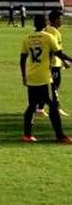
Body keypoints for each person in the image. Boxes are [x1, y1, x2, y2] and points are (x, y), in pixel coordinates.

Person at [20, 14, 72, 143]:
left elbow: (22, 59)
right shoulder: (48, 37)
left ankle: (27, 135)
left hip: (32, 77)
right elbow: (59, 53)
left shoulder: (27, 38)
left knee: (32, 105)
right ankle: (60, 136)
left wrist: (24, 76)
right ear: (45, 24)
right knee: (53, 106)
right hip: (44, 78)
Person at [38, 8, 69, 118]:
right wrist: (66, 60)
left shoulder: (50, 29)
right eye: (60, 19)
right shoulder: (53, 31)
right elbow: (55, 50)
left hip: (54, 63)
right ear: (55, 20)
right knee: (54, 87)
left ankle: (40, 109)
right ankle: (56, 108)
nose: (61, 21)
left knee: (52, 87)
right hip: (53, 64)